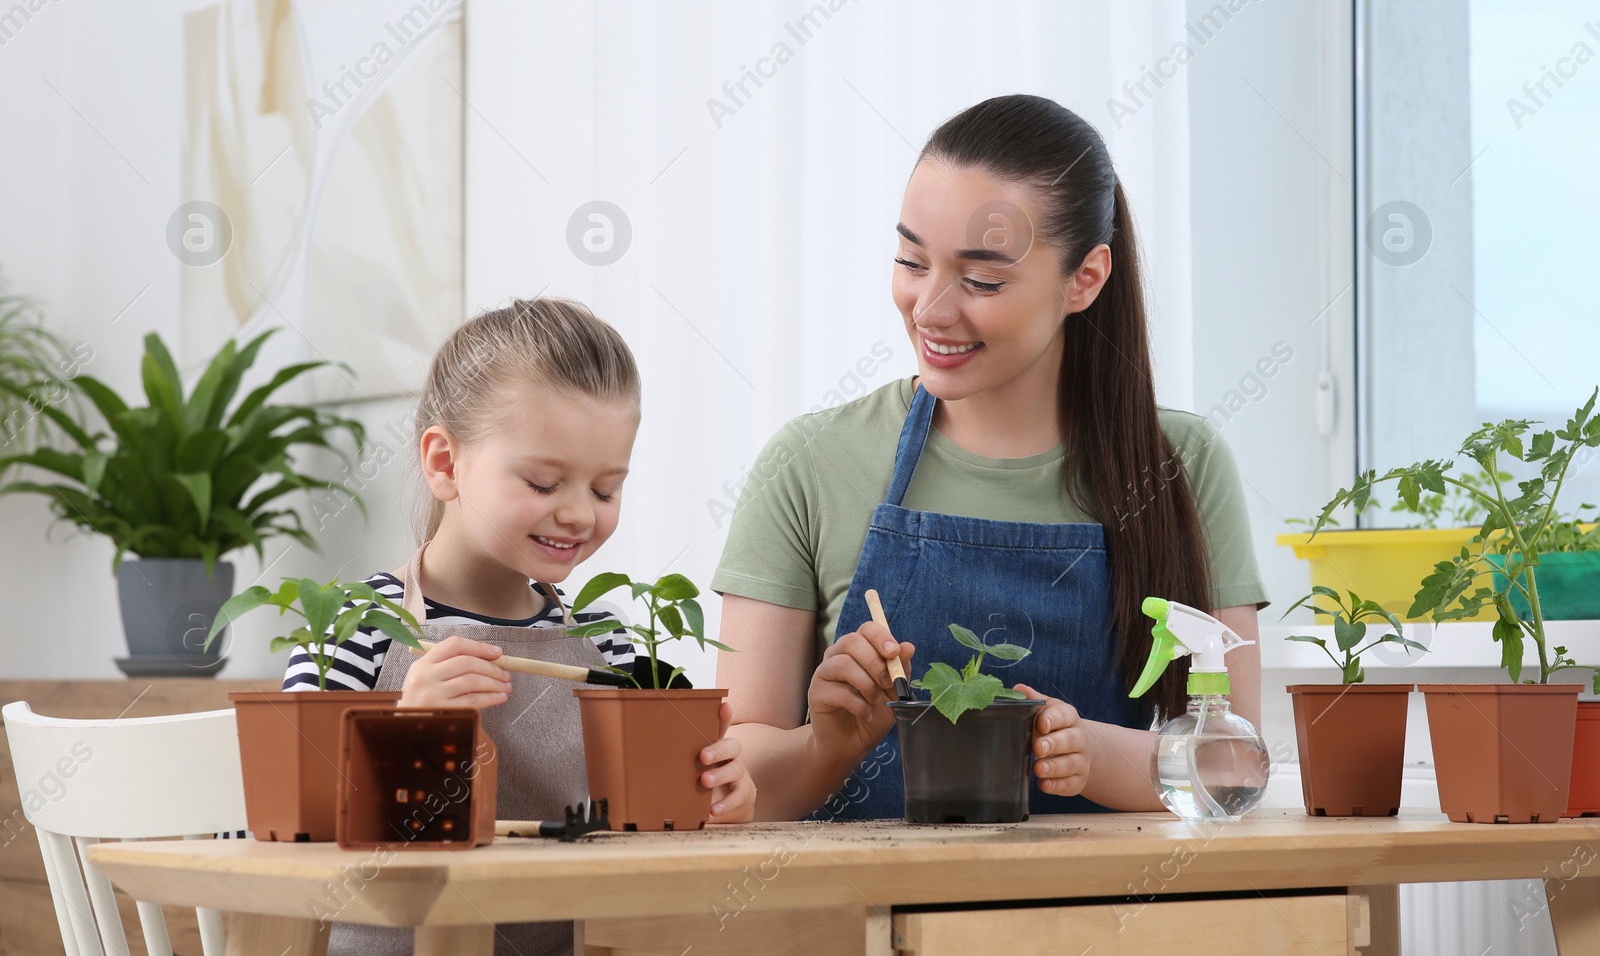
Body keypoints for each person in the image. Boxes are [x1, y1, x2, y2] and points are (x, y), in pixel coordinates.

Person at [713, 94, 1268, 822]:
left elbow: (1232, 766)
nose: (930, 308)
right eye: (912, 260)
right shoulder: (810, 464)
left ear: (1085, 279)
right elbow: (732, 779)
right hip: (869, 926)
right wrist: (827, 744)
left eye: (981, 281)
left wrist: (1092, 754)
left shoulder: (1182, 465)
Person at [282, 297, 755, 955]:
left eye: (604, 489)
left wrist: (716, 795)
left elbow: (649, 843)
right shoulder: (354, 627)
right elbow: (286, 829)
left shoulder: (612, 643)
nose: (577, 514)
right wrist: (402, 735)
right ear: (445, 463)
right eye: (542, 481)